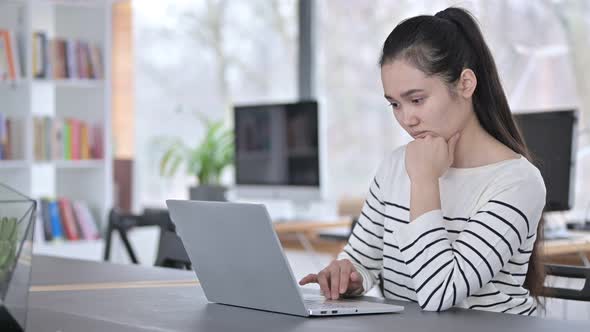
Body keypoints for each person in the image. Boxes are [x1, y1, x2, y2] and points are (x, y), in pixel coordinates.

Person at [299, 7, 546, 315]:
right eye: (395, 104)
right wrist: (348, 276)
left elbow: (439, 293)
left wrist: (424, 181)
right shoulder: (395, 165)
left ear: (465, 84)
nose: (407, 119)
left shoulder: (517, 182)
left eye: (416, 100)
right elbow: (362, 260)